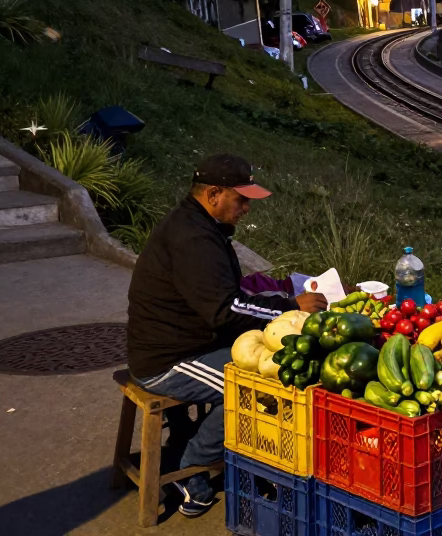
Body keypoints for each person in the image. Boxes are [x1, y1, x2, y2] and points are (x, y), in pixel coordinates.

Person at [126, 154, 327, 518]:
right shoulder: (192, 238)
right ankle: (187, 465)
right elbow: (225, 310)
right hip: (168, 360)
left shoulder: (199, 225)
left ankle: (199, 445)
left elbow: (224, 299)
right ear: (214, 193)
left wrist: (277, 303)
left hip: (193, 341)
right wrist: (287, 306)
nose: (247, 207)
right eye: (241, 198)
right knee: (257, 383)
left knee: (262, 366)